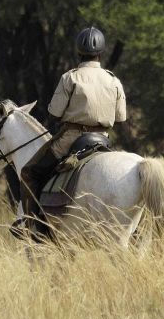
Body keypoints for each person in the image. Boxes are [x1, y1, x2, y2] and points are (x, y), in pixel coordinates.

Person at [19, 26, 126, 226]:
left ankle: (32, 225)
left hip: (71, 140)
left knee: (30, 172)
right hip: (103, 140)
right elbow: (121, 117)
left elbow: (55, 113)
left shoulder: (71, 77)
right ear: (101, 53)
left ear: (79, 51)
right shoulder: (114, 80)